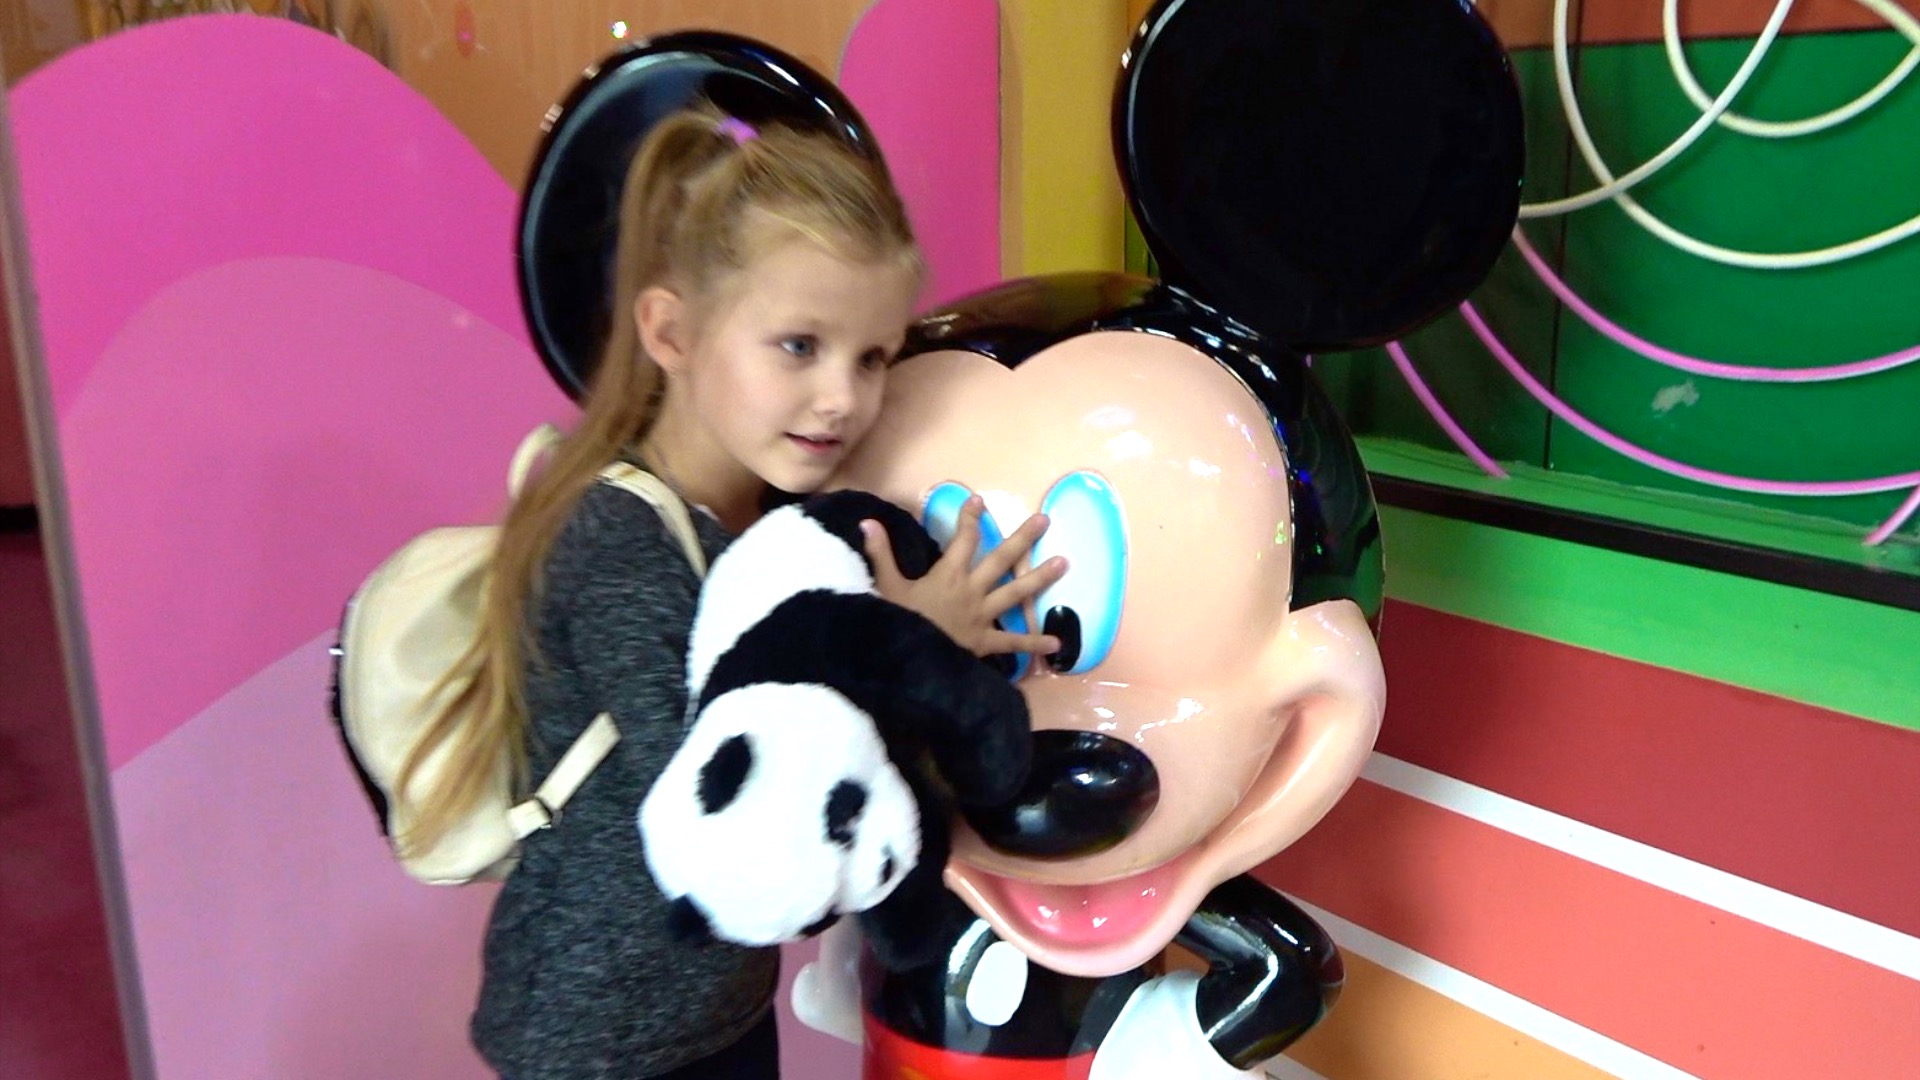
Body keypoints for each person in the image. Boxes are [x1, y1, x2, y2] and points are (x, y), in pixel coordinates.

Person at [391, 105, 1065, 1080]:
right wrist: (907, 642)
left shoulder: (774, 527)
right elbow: (733, 801)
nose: (842, 397)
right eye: (799, 345)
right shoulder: (616, 542)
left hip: (721, 1010)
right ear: (671, 332)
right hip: (594, 1041)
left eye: (872, 357)